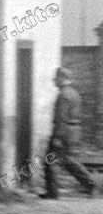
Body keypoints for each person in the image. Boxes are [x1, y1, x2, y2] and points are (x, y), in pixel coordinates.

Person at [41, 67, 98, 200]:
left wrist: (57, 137)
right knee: (68, 161)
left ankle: (52, 193)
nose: (54, 82)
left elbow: (62, 117)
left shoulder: (63, 95)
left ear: (62, 79)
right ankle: (92, 185)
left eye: (56, 79)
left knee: (51, 161)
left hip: (64, 131)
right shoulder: (74, 93)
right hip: (73, 131)